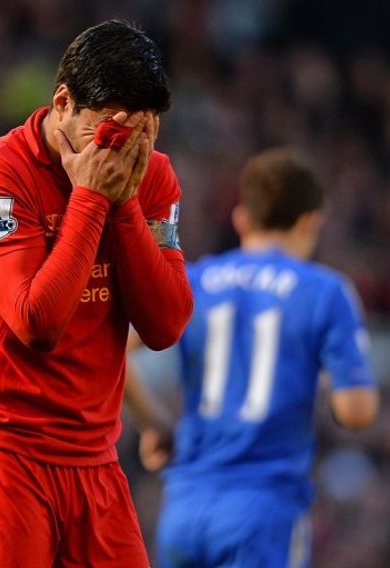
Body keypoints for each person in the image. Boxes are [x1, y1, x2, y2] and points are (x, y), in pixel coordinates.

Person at [0, 20, 193, 568]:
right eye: (112, 132)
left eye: (145, 133)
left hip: (94, 459)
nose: (128, 150)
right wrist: (95, 199)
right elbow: (37, 321)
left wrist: (122, 204)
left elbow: (166, 325)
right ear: (63, 103)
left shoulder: (151, 176)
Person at [126, 148, 379, 568]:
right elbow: (356, 411)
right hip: (264, 509)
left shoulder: (194, 281)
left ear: (242, 219)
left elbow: (114, 350)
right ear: (310, 221)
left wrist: (154, 423)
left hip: (186, 505)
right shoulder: (325, 291)